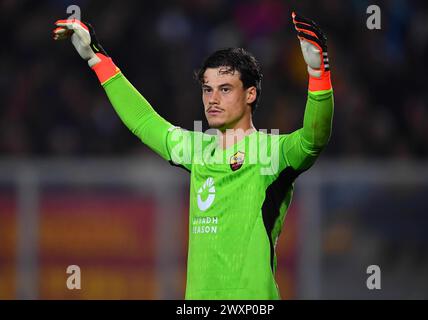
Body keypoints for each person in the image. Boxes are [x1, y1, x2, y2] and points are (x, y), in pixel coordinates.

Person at [52, 11, 334, 300]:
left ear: (250, 94)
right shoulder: (199, 151)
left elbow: (314, 139)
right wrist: (96, 59)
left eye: (225, 89)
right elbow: (145, 123)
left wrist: (318, 75)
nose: (212, 99)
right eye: (207, 90)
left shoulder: (272, 152)